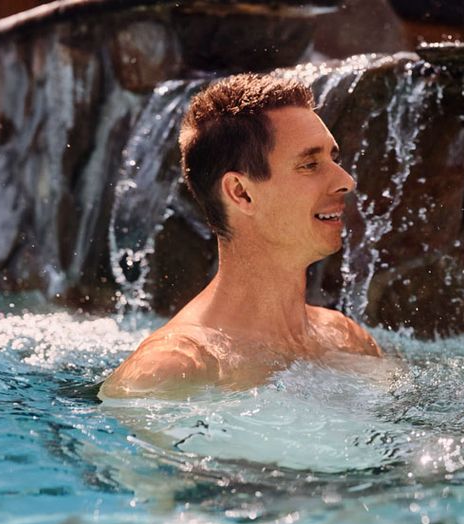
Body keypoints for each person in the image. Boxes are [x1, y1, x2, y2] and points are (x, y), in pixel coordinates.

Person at [101, 74, 381, 398]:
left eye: (334, 159)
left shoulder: (347, 340)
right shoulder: (173, 370)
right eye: (309, 164)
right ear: (241, 193)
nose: (346, 180)